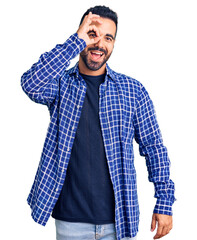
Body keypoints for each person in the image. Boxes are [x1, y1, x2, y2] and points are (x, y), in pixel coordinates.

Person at [21, 5, 176, 240]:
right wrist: (75, 41)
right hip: (70, 221)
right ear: (81, 35)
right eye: (92, 35)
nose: (100, 44)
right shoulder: (61, 85)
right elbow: (31, 83)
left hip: (118, 220)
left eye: (108, 38)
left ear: (114, 44)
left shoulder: (132, 91)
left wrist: (164, 202)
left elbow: (154, 147)